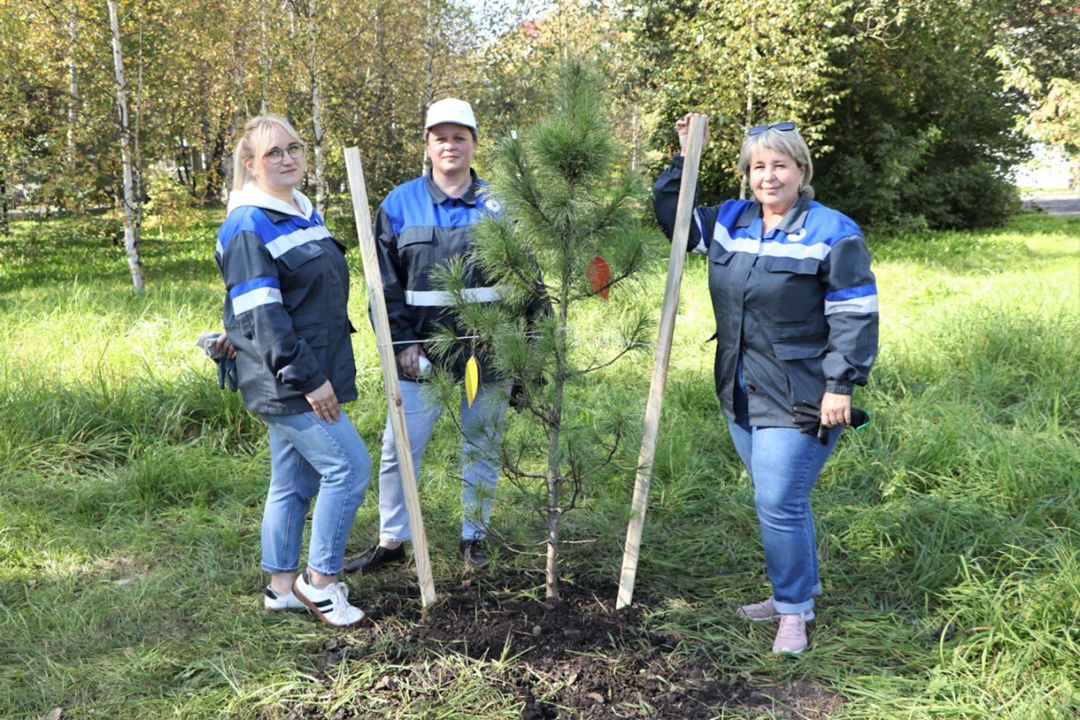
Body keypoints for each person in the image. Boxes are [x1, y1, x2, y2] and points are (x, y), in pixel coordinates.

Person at [653, 114, 879, 654]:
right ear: (747, 175)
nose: (768, 177)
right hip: (740, 387)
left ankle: (794, 610)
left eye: (780, 165)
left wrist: (840, 385)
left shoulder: (833, 231)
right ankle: (798, 589)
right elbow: (674, 219)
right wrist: (685, 157)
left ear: (801, 170)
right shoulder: (731, 221)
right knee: (782, 502)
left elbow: (856, 313)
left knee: (778, 499)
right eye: (758, 167)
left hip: (802, 394)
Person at [345, 98, 517, 574]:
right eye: (440, 137)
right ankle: (393, 540)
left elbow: (526, 280)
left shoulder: (500, 205)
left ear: (475, 143)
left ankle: (474, 537)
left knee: (482, 444)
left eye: (459, 137)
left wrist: (522, 350)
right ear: (427, 145)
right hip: (419, 356)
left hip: (489, 352)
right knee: (399, 446)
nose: (450, 146)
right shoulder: (399, 204)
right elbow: (383, 286)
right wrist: (402, 344)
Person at [215, 114, 372, 627]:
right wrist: (310, 379)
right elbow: (263, 316)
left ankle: (282, 587)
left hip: (306, 367)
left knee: (293, 481)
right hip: (287, 379)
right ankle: (320, 583)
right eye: (273, 153)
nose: (287, 159)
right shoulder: (247, 224)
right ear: (249, 164)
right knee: (348, 467)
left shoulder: (301, 211)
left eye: (294, 148)